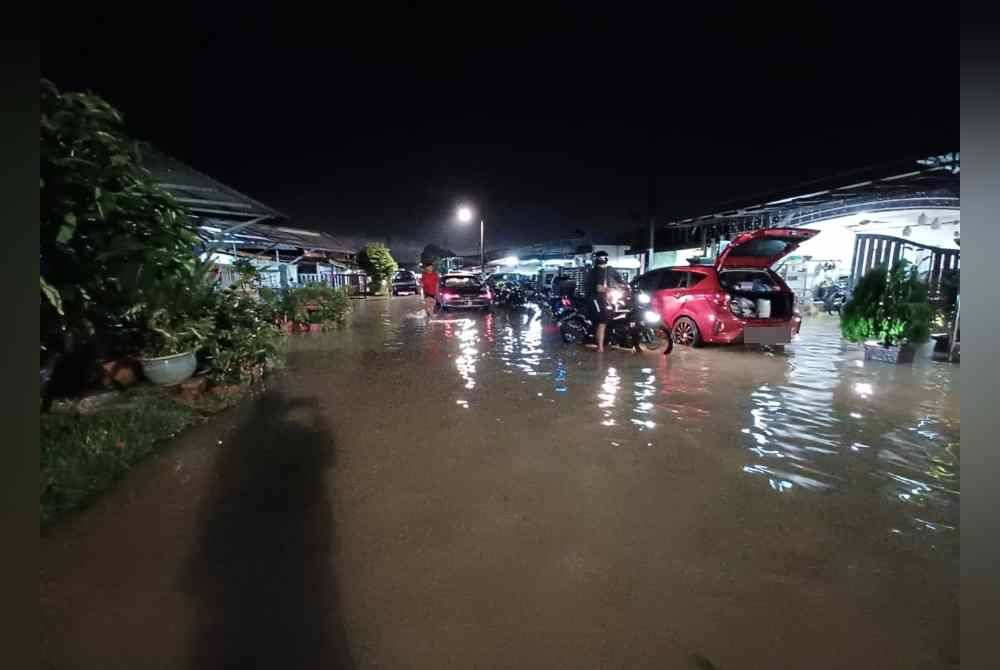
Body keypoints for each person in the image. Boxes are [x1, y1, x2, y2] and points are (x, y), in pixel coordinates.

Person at [584, 250, 625, 352]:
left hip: (607, 298)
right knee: (602, 321)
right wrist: (612, 289)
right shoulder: (595, 272)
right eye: (600, 258)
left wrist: (625, 287)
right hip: (595, 299)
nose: (602, 260)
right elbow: (599, 288)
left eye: (603, 258)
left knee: (609, 318)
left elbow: (620, 280)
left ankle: (608, 340)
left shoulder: (609, 270)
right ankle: (600, 347)